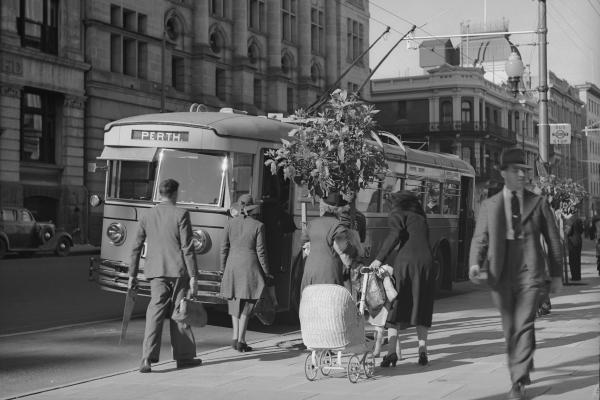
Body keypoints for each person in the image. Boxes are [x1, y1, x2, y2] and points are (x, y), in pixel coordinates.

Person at [469, 148, 563, 400]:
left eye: (524, 170)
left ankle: (518, 381)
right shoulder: (490, 205)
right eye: (516, 170)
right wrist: (474, 264)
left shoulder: (538, 202)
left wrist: (556, 275)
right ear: (503, 173)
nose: (522, 174)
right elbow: (480, 237)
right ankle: (524, 363)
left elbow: (554, 240)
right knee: (511, 328)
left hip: (530, 270)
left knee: (523, 323)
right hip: (500, 271)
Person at [129, 179, 202, 373]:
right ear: (175, 193)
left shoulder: (148, 215)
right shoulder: (181, 213)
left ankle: (147, 358)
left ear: (160, 193)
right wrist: (194, 275)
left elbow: (136, 247)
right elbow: (187, 247)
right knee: (180, 312)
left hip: (156, 271)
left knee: (155, 312)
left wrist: (132, 274)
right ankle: (184, 357)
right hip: (177, 270)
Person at [368, 190, 436, 368]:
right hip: (426, 263)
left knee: (395, 305)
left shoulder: (398, 214)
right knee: (421, 304)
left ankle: (391, 353)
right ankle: (423, 351)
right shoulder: (421, 218)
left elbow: (394, 235)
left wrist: (379, 259)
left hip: (406, 263)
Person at [220, 194, 273, 352]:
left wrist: (223, 269)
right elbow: (261, 252)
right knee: (248, 303)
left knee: (235, 301)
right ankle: (242, 340)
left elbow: (223, 248)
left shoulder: (230, 223)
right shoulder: (258, 225)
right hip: (250, 266)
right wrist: (266, 272)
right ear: (252, 208)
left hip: (232, 265)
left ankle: (235, 337)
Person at [300, 190, 358, 293]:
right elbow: (344, 247)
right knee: (328, 304)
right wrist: (355, 251)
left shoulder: (312, 223)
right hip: (328, 273)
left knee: (310, 304)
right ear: (338, 209)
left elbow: (303, 242)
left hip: (309, 271)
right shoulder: (337, 225)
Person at [564, 207, 583, 281]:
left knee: (572, 260)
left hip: (572, 242)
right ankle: (578, 276)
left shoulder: (570, 220)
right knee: (578, 260)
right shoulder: (578, 219)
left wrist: (565, 230)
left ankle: (574, 277)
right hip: (579, 241)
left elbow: (568, 232)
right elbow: (582, 230)